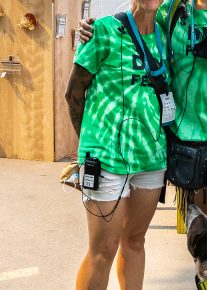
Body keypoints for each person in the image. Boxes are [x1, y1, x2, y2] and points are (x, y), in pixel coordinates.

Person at [79, 0, 207, 263]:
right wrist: (94, 29)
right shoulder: (169, 9)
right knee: (201, 232)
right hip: (185, 139)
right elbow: (139, 28)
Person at [65, 0, 168, 289]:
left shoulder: (165, 34)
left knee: (135, 241)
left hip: (151, 159)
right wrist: (90, 147)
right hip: (106, 160)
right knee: (103, 251)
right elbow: (73, 93)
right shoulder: (104, 30)